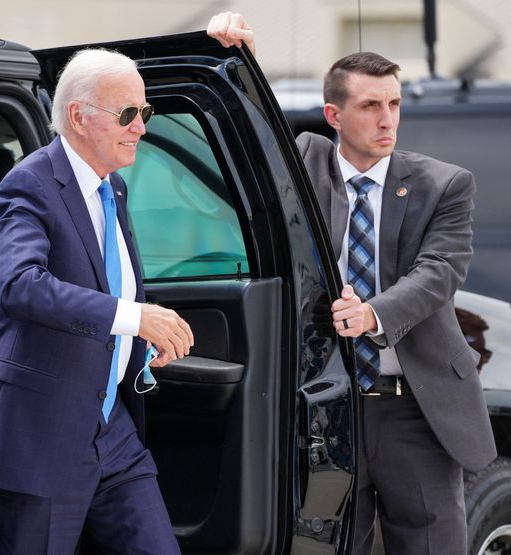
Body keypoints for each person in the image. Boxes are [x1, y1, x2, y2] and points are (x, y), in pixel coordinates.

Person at [208, 12, 496, 554]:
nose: (387, 119)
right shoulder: (307, 163)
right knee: (326, 546)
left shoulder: (445, 184)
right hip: (326, 408)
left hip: (415, 406)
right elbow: (253, 135)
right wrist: (239, 55)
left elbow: (440, 272)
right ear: (333, 116)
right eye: (370, 106)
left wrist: (372, 314)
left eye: (394, 104)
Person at [0, 48, 194, 554]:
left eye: (145, 114)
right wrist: (131, 318)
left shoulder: (115, 188)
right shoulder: (30, 184)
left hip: (112, 432)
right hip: (40, 435)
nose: (141, 128)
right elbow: (20, 284)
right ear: (78, 117)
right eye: (127, 114)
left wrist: (139, 343)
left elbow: (105, 281)